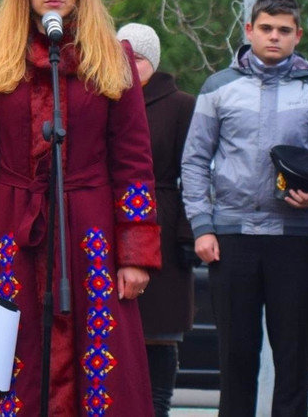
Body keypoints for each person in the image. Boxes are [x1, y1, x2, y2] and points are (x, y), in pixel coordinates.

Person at [0, 0, 161, 417]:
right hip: (11, 234)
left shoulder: (113, 58)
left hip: (92, 233)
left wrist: (135, 252)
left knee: (100, 363)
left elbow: (133, 162)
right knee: (5, 363)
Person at [182, 0, 308, 417]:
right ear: (249, 30)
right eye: (267, 28)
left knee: (293, 357)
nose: (275, 36)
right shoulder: (218, 87)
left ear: (298, 35)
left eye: (284, 30)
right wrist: (203, 226)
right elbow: (194, 160)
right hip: (232, 239)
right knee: (236, 356)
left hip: (296, 239)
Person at [117, 22, 193, 417]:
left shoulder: (181, 105)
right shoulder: (104, 98)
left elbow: (193, 170)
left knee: (159, 332)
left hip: (162, 221)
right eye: (123, 56)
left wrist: (187, 233)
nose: (130, 65)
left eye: (139, 58)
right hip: (110, 221)